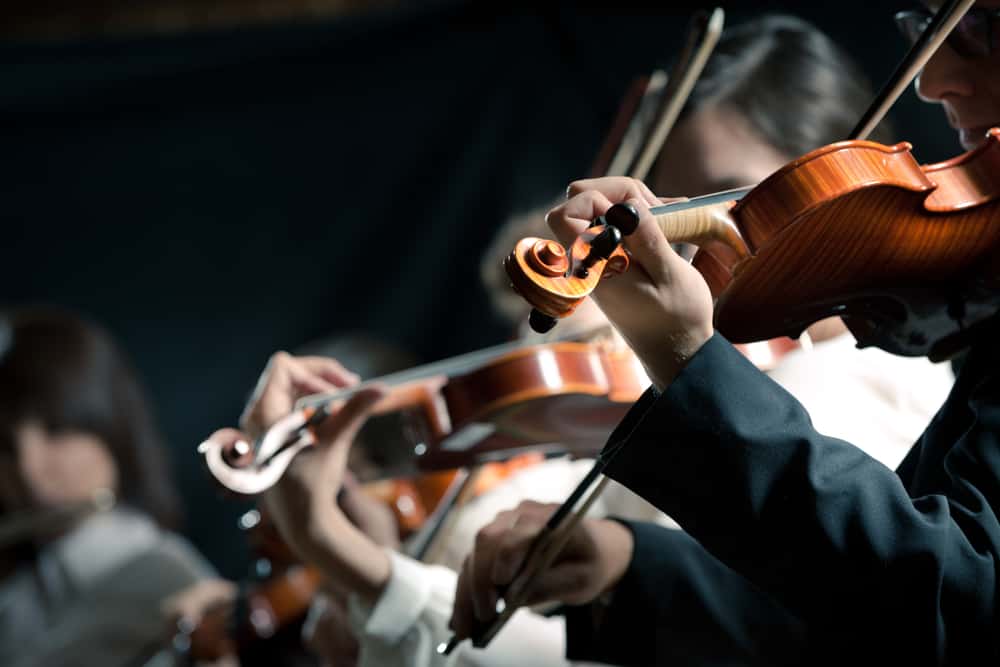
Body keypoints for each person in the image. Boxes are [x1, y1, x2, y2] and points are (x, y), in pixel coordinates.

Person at [199, 13, 957, 667]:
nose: (681, 244)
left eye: (728, 197)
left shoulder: (854, 387)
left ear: (829, 182)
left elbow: (669, 640)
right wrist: (375, 558)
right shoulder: (715, 390)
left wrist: (352, 560)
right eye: (674, 208)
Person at [449, 1, 1000, 664]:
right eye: (928, 29)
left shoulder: (843, 382)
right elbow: (867, 615)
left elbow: (956, 609)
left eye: (981, 25)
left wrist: (689, 358)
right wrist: (632, 563)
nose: (932, 81)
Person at [0, 308, 215, 666]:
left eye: (56, 429)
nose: (28, 468)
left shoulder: (165, 576)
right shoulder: (19, 594)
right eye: (4, 446)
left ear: (111, 427)